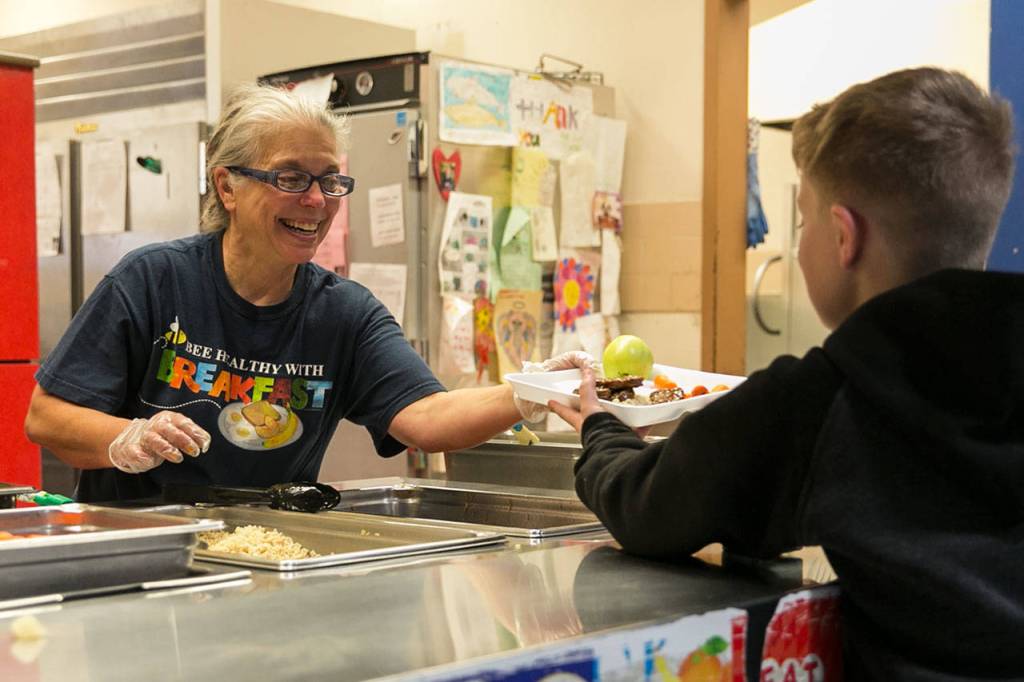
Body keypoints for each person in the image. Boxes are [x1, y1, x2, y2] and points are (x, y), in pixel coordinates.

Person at [550, 67, 1023, 680]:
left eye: (802, 223)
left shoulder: (824, 399)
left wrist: (600, 429)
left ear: (842, 235)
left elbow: (647, 506)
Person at [24, 82, 582, 503]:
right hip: (137, 556)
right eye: (290, 178)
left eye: (330, 180)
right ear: (228, 186)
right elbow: (46, 417)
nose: (317, 201)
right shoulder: (153, 280)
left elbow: (428, 418)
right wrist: (129, 436)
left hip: (267, 555)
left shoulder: (344, 313)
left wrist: (531, 391)